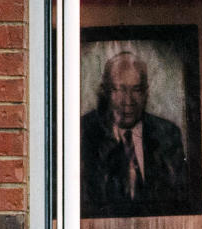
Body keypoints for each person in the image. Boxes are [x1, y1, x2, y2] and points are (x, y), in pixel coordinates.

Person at [81, 50, 191, 217]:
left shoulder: (168, 134)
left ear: (146, 92)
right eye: (119, 90)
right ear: (105, 92)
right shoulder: (83, 133)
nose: (128, 101)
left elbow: (179, 198)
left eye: (136, 90)